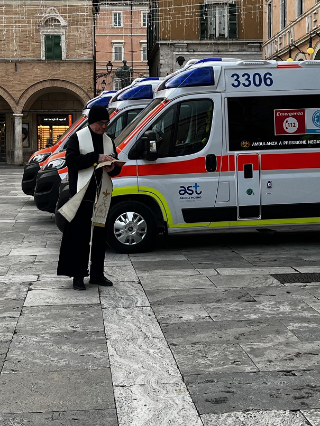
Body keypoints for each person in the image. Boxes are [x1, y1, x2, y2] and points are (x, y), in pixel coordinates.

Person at [57, 105, 122, 290]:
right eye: (101, 123)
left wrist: (113, 167)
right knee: (80, 237)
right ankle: (78, 276)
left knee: (100, 236)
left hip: (101, 194)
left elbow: (115, 166)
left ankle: (97, 274)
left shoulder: (109, 141)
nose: (104, 127)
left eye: (106, 123)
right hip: (81, 195)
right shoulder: (77, 138)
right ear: (92, 122)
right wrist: (96, 158)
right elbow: (71, 161)